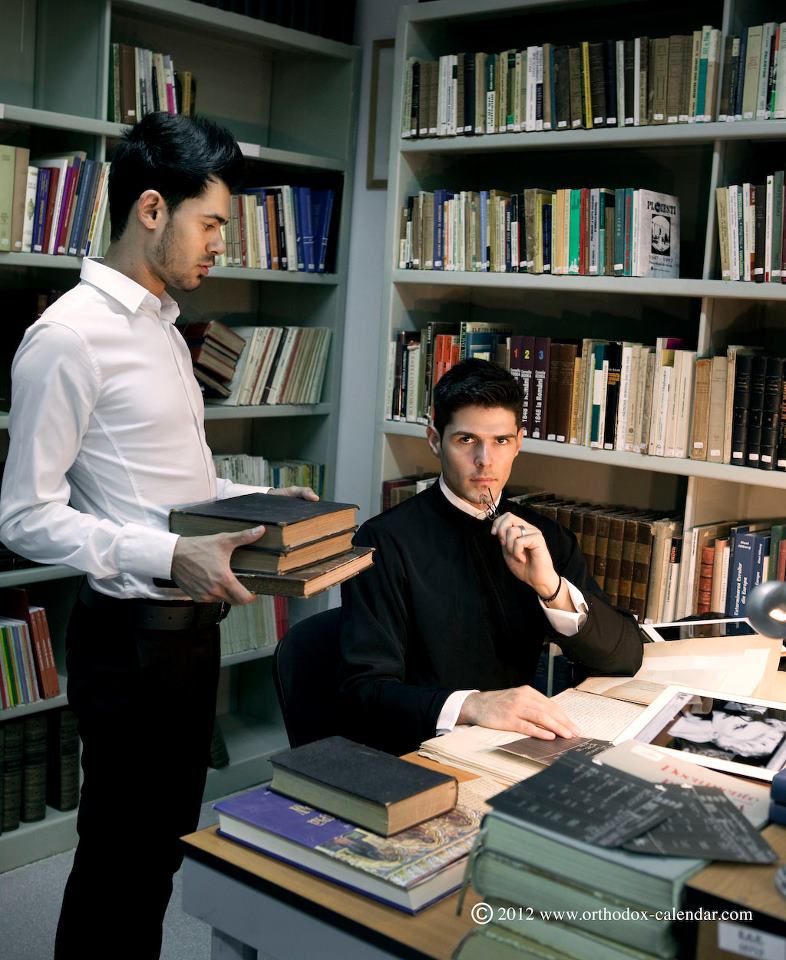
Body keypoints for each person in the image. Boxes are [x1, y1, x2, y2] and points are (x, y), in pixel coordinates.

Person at [0, 113, 316, 960]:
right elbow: (24, 515)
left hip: (187, 638)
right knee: (117, 866)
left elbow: (185, 485)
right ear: (151, 208)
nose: (222, 243)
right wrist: (169, 554)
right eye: (211, 222)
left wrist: (280, 503)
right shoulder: (65, 338)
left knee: (158, 856)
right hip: (129, 641)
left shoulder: (164, 328)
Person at [339, 358, 643, 756]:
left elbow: (625, 657)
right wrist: (473, 705)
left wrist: (550, 588)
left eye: (500, 441)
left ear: (518, 443)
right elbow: (363, 693)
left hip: (515, 747)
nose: (485, 460)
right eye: (466, 440)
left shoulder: (546, 537)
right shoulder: (382, 541)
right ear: (435, 440)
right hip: (420, 752)